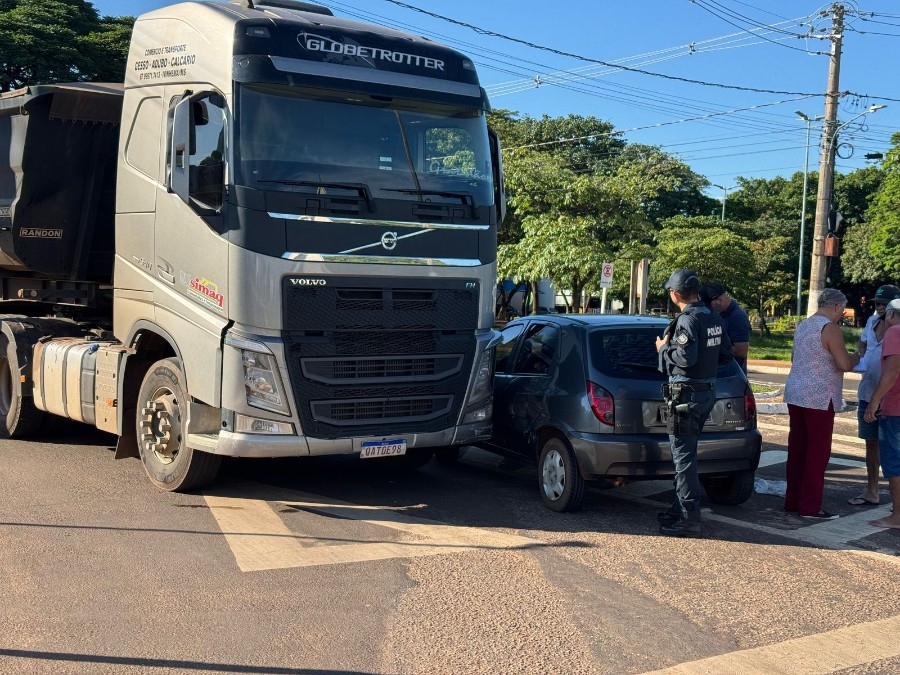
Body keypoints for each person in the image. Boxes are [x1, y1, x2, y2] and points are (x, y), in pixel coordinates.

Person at [656, 269, 732, 537]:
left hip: (685, 396)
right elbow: (725, 354)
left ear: (676, 294)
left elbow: (685, 358)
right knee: (687, 455)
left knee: (683, 460)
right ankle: (679, 511)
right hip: (705, 392)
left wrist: (663, 349)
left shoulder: (688, 320)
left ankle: (689, 520)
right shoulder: (713, 317)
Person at [783, 288, 860, 520]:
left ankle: (792, 501)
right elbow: (845, 364)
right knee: (817, 452)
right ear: (836, 307)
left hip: (796, 392)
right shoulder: (830, 328)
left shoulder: (804, 325)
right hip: (819, 396)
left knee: (798, 448)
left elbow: (796, 358)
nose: (842, 314)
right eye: (842, 310)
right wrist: (858, 355)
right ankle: (810, 507)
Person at [849, 284, 900, 506]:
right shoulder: (871, 322)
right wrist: (858, 356)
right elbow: (862, 343)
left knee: (894, 448)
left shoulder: (897, 331)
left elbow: (892, 371)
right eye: (876, 303)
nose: (878, 307)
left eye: (883, 304)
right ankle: (872, 490)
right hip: (868, 391)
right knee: (871, 443)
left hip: (889, 397)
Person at [863, 298, 900, 529]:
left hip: (895, 408)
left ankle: (897, 515)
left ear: (891, 315)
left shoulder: (895, 332)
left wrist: (874, 400)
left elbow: (892, 372)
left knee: (894, 463)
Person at [700, 283, 752, 372]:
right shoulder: (720, 314)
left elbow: (741, 351)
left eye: (709, 305)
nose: (707, 308)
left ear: (720, 300)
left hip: (730, 377)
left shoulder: (737, 317)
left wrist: (709, 346)